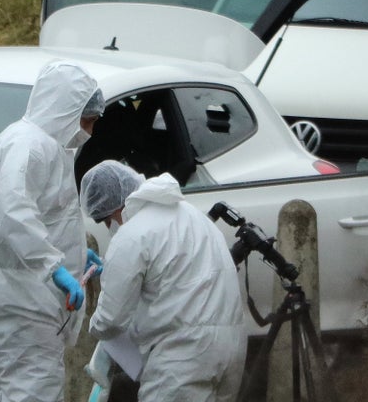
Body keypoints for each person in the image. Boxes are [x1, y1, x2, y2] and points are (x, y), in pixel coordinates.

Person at [0, 60, 105, 402]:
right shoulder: (28, 146)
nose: (89, 129)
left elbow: (46, 216)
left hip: (26, 299)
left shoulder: (45, 147)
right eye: (86, 120)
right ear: (66, 109)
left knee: (23, 392)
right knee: (33, 392)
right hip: (21, 302)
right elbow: (15, 212)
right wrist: (55, 267)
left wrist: (73, 253)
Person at [80, 160, 246, 402]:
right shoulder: (192, 215)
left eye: (107, 221)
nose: (110, 228)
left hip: (182, 356)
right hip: (231, 348)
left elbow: (110, 321)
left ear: (113, 208)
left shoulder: (131, 235)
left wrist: (92, 325)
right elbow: (173, 272)